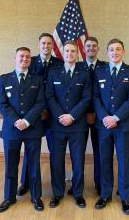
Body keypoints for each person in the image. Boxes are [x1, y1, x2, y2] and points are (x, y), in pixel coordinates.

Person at [93, 38, 129, 215]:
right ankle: (105, 194)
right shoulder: (100, 71)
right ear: (107, 52)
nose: (115, 52)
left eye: (118, 49)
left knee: (124, 162)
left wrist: (116, 117)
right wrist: (105, 117)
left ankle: (125, 198)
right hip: (104, 125)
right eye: (111, 50)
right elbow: (95, 97)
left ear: (124, 52)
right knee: (104, 160)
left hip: (124, 126)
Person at [0, 47, 45, 212]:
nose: (25, 59)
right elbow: (2, 104)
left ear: (31, 60)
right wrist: (16, 121)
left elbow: (40, 103)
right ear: (15, 58)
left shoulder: (37, 80)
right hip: (12, 129)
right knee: (11, 164)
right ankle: (9, 198)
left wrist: (27, 121)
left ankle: (36, 197)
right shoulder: (4, 79)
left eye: (28, 57)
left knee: (33, 164)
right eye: (21, 56)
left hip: (32, 129)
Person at [45, 40, 92, 208]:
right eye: (67, 51)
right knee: (56, 160)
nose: (70, 54)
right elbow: (49, 96)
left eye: (73, 51)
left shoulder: (84, 74)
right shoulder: (53, 72)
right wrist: (61, 116)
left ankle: (78, 193)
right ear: (62, 53)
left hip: (77, 125)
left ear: (77, 54)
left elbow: (87, 98)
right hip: (57, 125)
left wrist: (72, 116)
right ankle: (57, 193)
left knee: (78, 161)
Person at [17, 33, 63, 196]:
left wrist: (51, 110)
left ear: (53, 46)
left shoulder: (59, 63)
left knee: (55, 152)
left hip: (53, 115)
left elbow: (60, 90)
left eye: (49, 44)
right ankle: (26, 183)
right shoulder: (30, 61)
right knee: (30, 152)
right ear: (39, 45)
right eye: (43, 43)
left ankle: (56, 185)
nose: (46, 46)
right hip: (33, 115)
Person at [81, 36, 106, 195]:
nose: (91, 48)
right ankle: (78, 186)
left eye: (94, 46)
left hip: (100, 117)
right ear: (83, 49)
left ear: (98, 49)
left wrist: (97, 113)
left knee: (100, 153)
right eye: (88, 46)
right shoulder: (76, 67)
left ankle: (100, 185)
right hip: (80, 117)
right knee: (78, 154)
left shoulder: (105, 66)